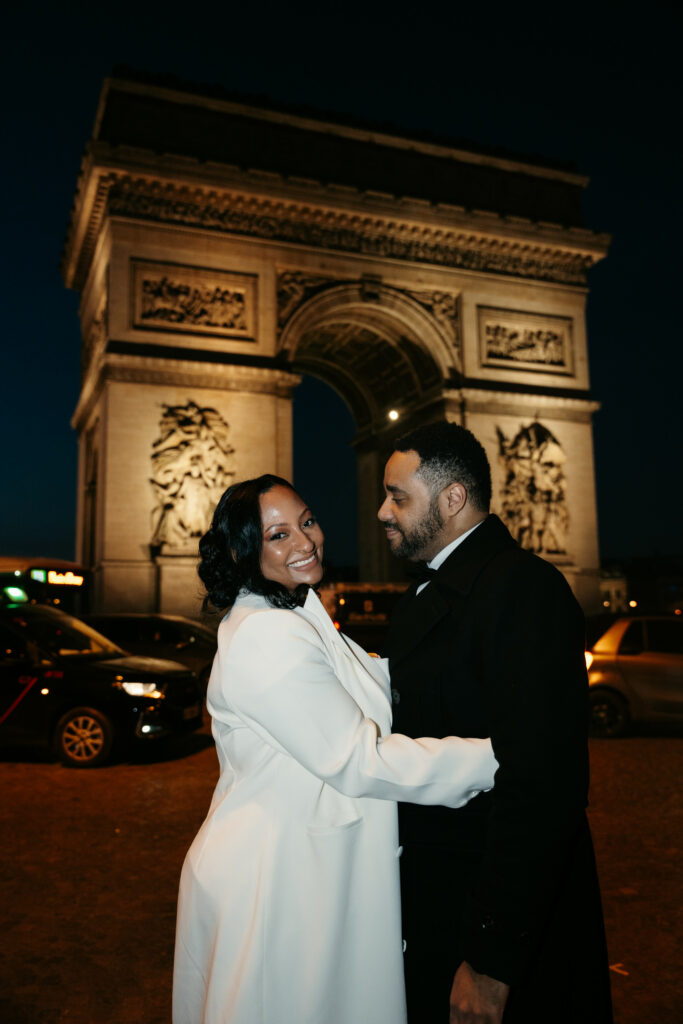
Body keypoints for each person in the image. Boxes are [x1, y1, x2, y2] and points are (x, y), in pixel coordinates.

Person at [173, 473, 499, 1024]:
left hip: (310, 866)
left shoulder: (297, 611)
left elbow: (379, 680)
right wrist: (497, 757)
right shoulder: (264, 634)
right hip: (277, 880)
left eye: (307, 522)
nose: (305, 542)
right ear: (241, 551)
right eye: (277, 535)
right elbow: (358, 757)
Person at [378, 422, 613, 1024]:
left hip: (495, 925)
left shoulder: (525, 591)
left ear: (453, 499)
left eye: (398, 496)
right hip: (437, 904)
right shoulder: (425, 597)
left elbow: (542, 786)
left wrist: (490, 959)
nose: (382, 511)